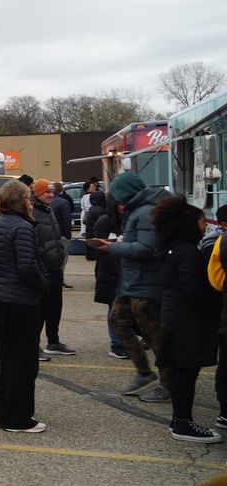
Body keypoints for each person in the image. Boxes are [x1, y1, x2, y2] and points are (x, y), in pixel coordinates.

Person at [88, 171, 169, 402]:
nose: (118, 202)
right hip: (133, 282)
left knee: (155, 335)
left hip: (145, 284)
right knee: (118, 321)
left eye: (119, 195)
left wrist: (111, 248)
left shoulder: (145, 212)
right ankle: (144, 372)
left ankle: (169, 384)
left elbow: (146, 248)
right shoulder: (141, 209)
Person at [151, 197, 221, 442]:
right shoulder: (188, 252)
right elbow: (193, 288)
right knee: (186, 370)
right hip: (187, 319)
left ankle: (179, 420)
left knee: (183, 369)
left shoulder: (172, 248)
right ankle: (183, 423)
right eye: (203, 221)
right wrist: (215, 303)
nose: (206, 226)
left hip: (175, 316)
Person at [0, 181, 49, 433]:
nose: (31, 202)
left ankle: (8, 412)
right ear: (19, 201)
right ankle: (19, 418)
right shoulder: (23, 228)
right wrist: (43, 284)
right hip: (20, 300)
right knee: (24, 361)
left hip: (1, 298)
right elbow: (27, 266)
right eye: (27, 198)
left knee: (10, 358)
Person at [30, 180, 73, 358]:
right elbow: (32, 241)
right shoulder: (32, 212)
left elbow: (56, 236)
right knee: (41, 309)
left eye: (52, 192)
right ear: (37, 193)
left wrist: (60, 253)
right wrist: (42, 258)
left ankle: (53, 341)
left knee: (55, 307)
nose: (50, 195)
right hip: (43, 268)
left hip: (55, 267)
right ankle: (33, 346)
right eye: (46, 192)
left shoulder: (49, 210)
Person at [85, 191, 126, 359]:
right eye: (120, 204)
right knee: (114, 307)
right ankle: (116, 344)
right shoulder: (104, 222)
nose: (124, 207)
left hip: (126, 272)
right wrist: (117, 268)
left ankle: (125, 340)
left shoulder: (128, 220)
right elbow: (102, 250)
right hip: (111, 273)